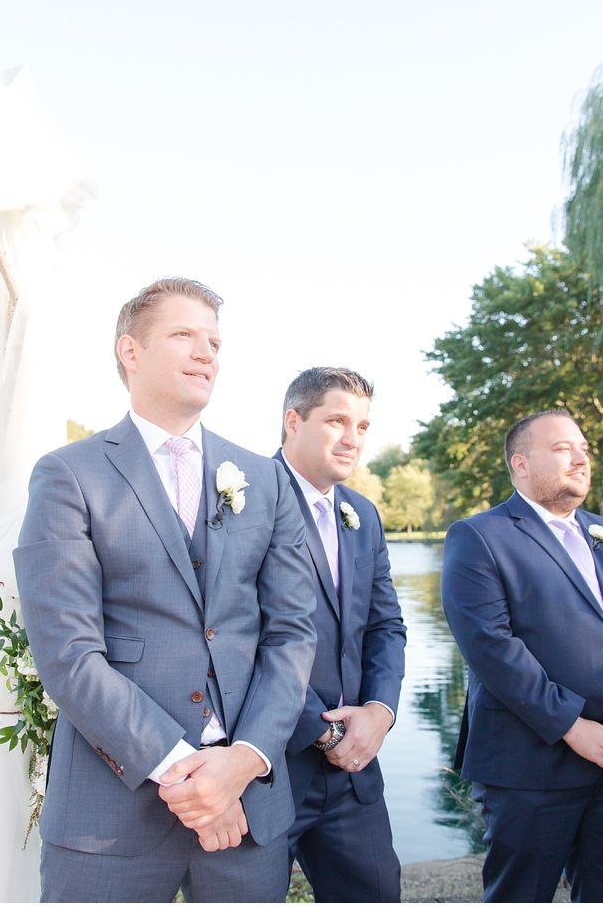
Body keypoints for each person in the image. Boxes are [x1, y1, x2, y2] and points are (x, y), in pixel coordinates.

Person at [13, 277, 317, 903]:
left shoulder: (265, 478)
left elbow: (291, 635)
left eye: (214, 341)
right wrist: (188, 776)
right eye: (184, 335)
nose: (206, 352)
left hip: (248, 811)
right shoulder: (69, 474)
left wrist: (244, 761)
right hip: (110, 813)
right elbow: (68, 654)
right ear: (130, 351)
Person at [441, 409, 603, 902]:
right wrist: (571, 725)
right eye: (563, 448)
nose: (581, 459)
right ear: (520, 464)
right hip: (531, 765)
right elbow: (492, 648)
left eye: (584, 449)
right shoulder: (481, 536)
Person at [273, 367, 407, 901]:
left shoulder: (362, 514)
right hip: (269, 766)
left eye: (363, 426)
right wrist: (321, 730)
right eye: (336, 421)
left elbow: (385, 625)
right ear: (293, 421)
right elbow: (236, 635)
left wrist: (380, 711)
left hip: (354, 769)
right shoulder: (243, 501)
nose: (353, 438)